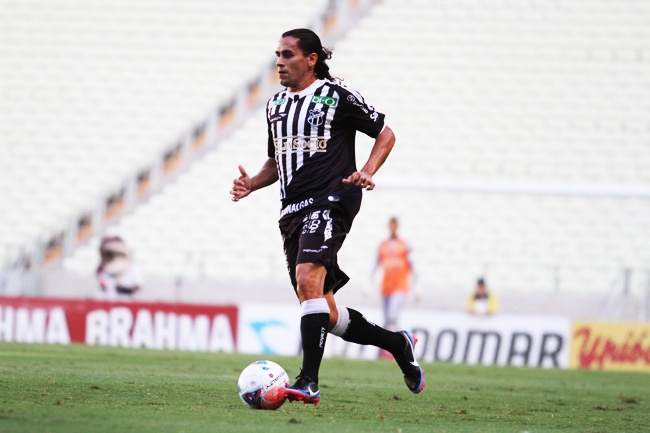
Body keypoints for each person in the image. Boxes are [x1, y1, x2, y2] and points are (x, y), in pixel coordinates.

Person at [230, 28, 424, 406]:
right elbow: (277, 161)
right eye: (277, 55)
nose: (279, 62)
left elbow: (385, 134)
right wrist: (252, 182)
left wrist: (367, 170)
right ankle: (398, 344)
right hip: (292, 211)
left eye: (287, 54)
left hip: (333, 198)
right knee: (326, 311)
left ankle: (309, 381)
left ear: (311, 59)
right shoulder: (275, 106)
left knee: (307, 278)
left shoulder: (336, 96)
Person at [374, 217, 415, 336]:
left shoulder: (404, 245)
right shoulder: (383, 245)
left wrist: (416, 286)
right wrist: (369, 281)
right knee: (387, 319)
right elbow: (376, 264)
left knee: (392, 317)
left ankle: (397, 342)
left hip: (400, 286)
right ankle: (389, 343)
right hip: (386, 287)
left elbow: (412, 265)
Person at [96, 236, 143, 301]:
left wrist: (123, 287)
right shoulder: (103, 270)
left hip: (125, 300)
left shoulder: (132, 269)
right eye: (109, 254)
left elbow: (137, 285)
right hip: (107, 299)